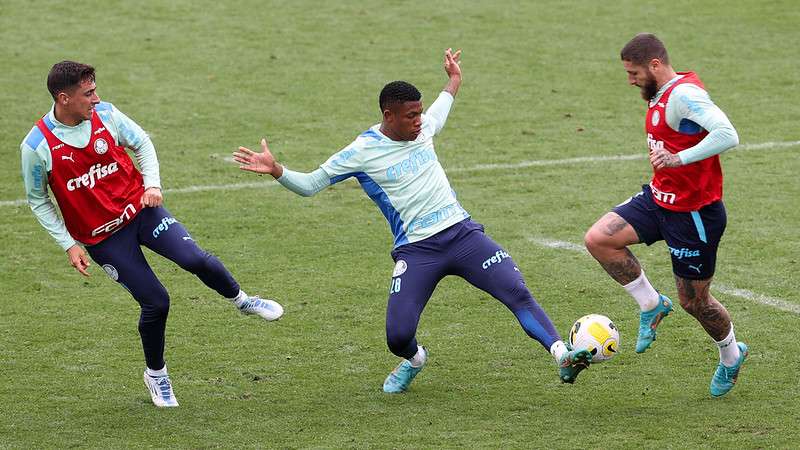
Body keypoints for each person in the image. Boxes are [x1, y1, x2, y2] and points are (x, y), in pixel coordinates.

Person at [233, 48, 592, 393]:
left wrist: (454, 79)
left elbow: (444, 102)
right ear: (389, 116)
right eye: (410, 116)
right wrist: (277, 169)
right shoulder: (361, 152)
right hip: (418, 251)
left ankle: (561, 354)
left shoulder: (425, 128)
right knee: (398, 337)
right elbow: (311, 185)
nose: (419, 121)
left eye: (420, 113)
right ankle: (415, 360)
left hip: (463, 234)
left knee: (517, 293)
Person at [20, 61, 284, 408]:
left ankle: (242, 300)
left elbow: (142, 142)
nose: (96, 98)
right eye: (88, 93)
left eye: (96, 90)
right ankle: (156, 375)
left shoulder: (108, 115)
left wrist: (153, 185)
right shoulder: (37, 146)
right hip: (105, 240)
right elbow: (38, 200)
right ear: (64, 98)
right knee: (156, 302)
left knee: (195, 259)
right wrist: (68, 244)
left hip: (142, 210)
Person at [583, 34, 747, 397]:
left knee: (695, 302)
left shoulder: (685, 95)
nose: (630, 80)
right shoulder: (659, 94)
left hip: (694, 215)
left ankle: (731, 355)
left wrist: (679, 158)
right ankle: (652, 305)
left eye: (634, 72)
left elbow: (727, 133)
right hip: (659, 200)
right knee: (599, 240)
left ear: (655, 65)